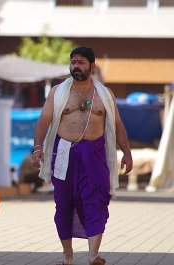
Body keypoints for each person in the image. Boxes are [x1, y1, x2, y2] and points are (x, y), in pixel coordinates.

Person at [32, 47, 133, 265]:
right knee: (64, 203)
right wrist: (37, 147)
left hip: (94, 154)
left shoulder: (105, 94)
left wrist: (126, 152)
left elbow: (117, 124)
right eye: (73, 62)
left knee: (96, 201)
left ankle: (93, 254)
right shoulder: (58, 92)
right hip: (64, 153)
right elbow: (43, 121)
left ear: (92, 66)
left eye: (81, 62)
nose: (76, 66)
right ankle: (67, 256)